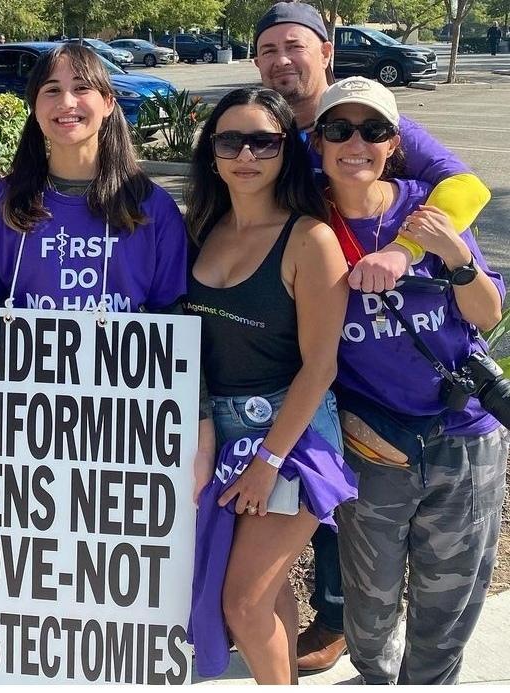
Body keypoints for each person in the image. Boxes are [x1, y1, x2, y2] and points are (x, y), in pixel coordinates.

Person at [252, 1, 493, 671]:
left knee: (426, 597)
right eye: (268, 49)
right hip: (338, 384)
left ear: (326, 51)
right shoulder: (272, 137)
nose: (282, 60)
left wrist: (408, 253)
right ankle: (339, 622)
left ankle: (339, 626)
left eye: (295, 45)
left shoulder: (383, 127)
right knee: (356, 555)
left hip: (443, 414)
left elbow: (466, 187)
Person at [0, 41, 216, 494]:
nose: (66, 103)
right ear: (34, 106)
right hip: (22, 421)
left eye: (81, 88)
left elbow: (174, 323)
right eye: (51, 90)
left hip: (128, 423)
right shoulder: (1, 204)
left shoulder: (151, 207)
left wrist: (201, 427)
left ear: (108, 102)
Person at [314, 76, 507, 685]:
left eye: (372, 131)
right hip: (375, 443)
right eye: (338, 130)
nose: (355, 143)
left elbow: (486, 314)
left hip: (463, 436)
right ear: (316, 142)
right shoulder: (301, 222)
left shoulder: (429, 209)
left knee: (447, 608)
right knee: (368, 615)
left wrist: (455, 259)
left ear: (393, 144)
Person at [183, 86, 353, 684]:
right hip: (216, 433)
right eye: (231, 139)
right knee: (270, 598)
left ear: (286, 151)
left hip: (290, 436)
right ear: (212, 152)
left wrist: (269, 459)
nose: (246, 154)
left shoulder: (311, 239)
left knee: (244, 605)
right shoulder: (201, 226)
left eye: (264, 141)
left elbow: (321, 366)